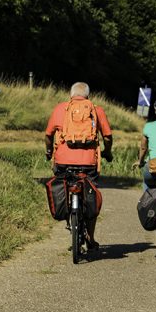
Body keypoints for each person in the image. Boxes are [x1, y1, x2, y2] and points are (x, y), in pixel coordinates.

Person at [45, 82, 113, 251]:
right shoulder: (97, 111)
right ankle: (90, 237)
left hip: (62, 162)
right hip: (88, 163)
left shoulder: (61, 109)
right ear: (87, 96)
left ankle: (70, 217)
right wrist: (108, 152)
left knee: (65, 186)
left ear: (71, 94)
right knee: (91, 194)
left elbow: (48, 135)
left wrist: (48, 151)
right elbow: (108, 136)